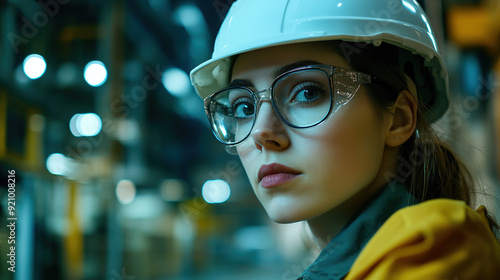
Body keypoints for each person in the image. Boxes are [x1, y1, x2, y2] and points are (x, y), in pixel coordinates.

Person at [190, 0, 500, 279]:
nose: (261, 133)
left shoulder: (434, 253)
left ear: (399, 119)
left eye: (307, 93)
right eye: (244, 108)